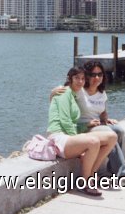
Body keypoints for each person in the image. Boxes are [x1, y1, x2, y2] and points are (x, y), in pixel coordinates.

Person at [51, 61, 125, 178]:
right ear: (86, 76)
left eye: (100, 74)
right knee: (110, 133)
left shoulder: (101, 93)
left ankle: (112, 169)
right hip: (83, 126)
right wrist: (52, 93)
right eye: (93, 75)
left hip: (96, 124)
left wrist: (106, 119)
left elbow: (103, 111)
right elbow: (62, 96)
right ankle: (122, 172)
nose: (96, 78)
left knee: (119, 130)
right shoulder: (80, 89)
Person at [47, 66, 117, 197]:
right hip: (59, 137)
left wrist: (85, 127)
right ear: (70, 79)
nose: (80, 81)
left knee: (112, 137)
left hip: (69, 137)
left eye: (83, 79)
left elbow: (72, 124)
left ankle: (91, 173)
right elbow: (65, 121)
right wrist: (79, 142)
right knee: (93, 141)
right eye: (77, 78)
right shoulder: (64, 93)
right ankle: (84, 182)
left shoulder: (73, 94)